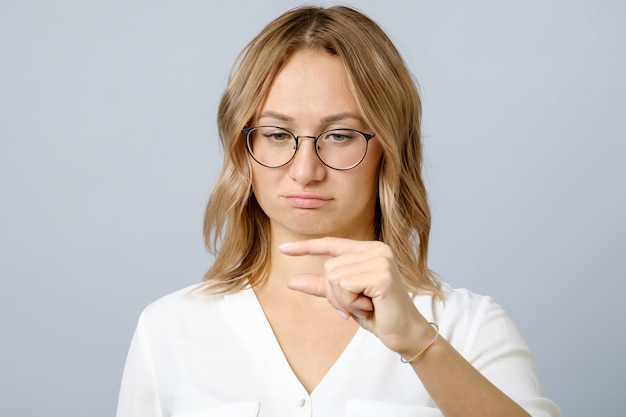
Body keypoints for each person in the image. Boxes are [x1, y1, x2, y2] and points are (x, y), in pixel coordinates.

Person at [116, 5, 560, 417]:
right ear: (243, 148)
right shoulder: (168, 330)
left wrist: (420, 344)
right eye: (276, 134)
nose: (305, 170)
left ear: (389, 150)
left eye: (341, 136)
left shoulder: (468, 328)